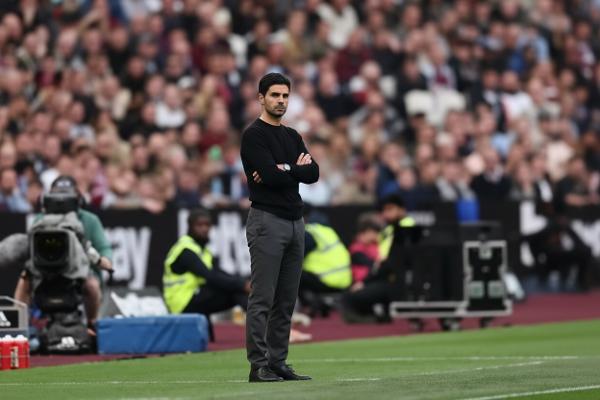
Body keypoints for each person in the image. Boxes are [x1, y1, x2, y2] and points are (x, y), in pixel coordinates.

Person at [240, 73, 319, 382]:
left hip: (295, 221)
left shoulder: (292, 135)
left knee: (286, 300)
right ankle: (258, 365)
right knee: (263, 298)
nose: (281, 101)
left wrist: (284, 168)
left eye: (285, 95)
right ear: (261, 98)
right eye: (275, 95)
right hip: (267, 220)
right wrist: (293, 169)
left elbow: (313, 173)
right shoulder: (254, 136)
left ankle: (277, 362)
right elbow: (272, 177)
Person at [14, 175, 113, 329]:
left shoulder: (90, 220)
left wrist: (101, 259)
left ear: (77, 198)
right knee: (23, 280)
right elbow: (31, 248)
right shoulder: (40, 219)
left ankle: (92, 325)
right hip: (45, 271)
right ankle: (18, 327)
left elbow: (104, 250)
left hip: (78, 272)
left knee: (92, 285)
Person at [162, 208, 250, 339]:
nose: (204, 229)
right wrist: (242, 285)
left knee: (237, 289)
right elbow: (210, 277)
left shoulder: (202, 249)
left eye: (207, 225)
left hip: (195, 297)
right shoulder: (186, 250)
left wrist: (244, 283)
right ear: (190, 226)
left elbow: (218, 272)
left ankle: (262, 328)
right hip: (182, 303)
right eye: (199, 225)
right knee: (236, 292)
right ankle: (264, 330)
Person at [300, 218, 352, 317]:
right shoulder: (327, 232)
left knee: (292, 274)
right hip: (345, 281)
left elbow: (296, 257)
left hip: (326, 280)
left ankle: (307, 306)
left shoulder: (308, 234)